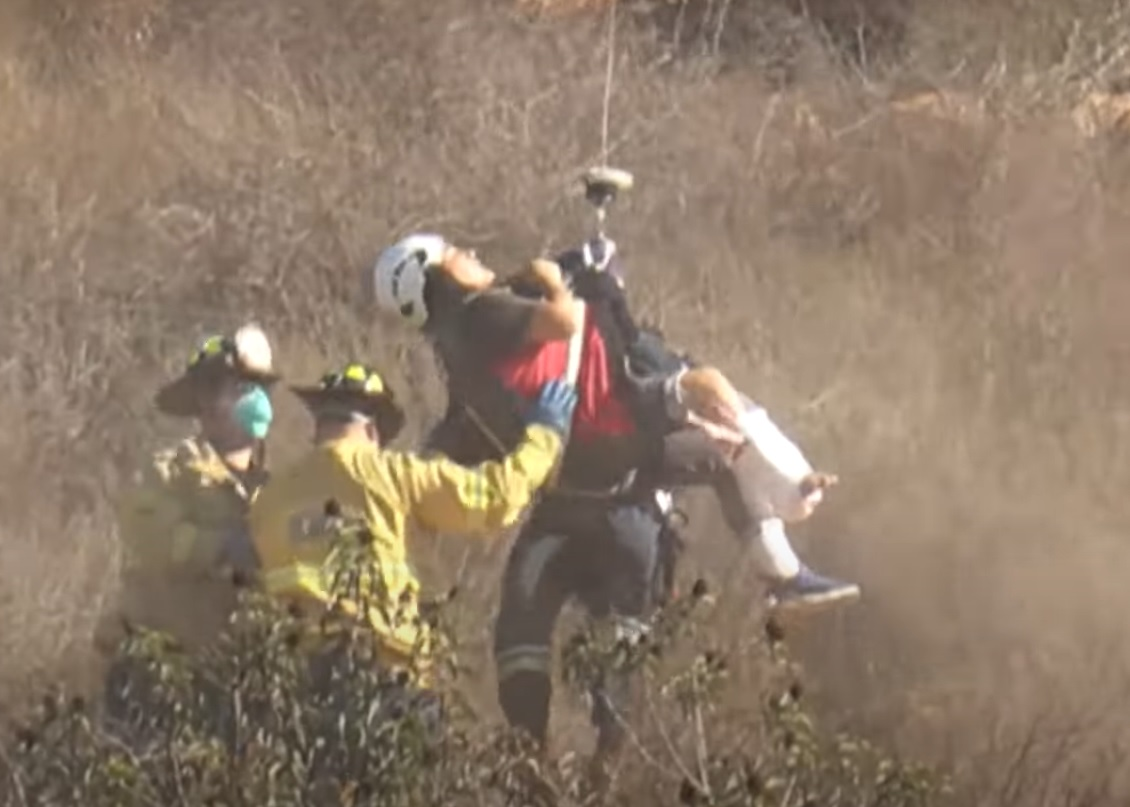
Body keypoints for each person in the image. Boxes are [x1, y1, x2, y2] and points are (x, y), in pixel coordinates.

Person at [367, 232, 858, 784]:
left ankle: (542, 765)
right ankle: (784, 569)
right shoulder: (485, 316)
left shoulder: (463, 353)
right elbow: (567, 324)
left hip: (582, 491)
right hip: (603, 471)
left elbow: (466, 431)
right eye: (455, 254)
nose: (471, 255)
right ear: (431, 276)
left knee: (530, 628)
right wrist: (555, 279)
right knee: (714, 423)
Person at [248, 361, 576, 708]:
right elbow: (495, 497)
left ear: (318, 426)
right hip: (386, 674)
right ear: (373, 431)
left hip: (294, 686)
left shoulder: (269, 500)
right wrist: (545, 434)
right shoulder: (392, 474)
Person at [94, 324, 281, 738]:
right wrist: (222, 547)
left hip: (236, 680)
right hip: (157, 669)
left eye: (246, 388)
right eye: (221, 388)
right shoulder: (169, 470)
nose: (233, 398)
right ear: (202, 403)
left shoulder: (279, 492)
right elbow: (149, 534)